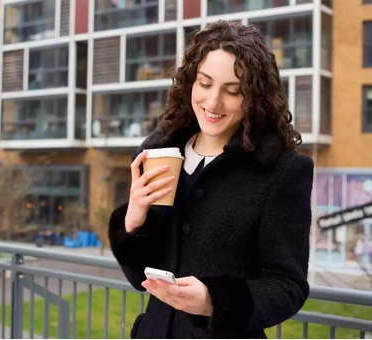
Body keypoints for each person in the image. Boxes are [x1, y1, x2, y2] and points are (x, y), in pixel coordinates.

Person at [108, 20, 314, 339]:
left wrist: (214, 302)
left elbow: (287, 286)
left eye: (232, 91)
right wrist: (133, 222)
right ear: (190, 82)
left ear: (254, 97)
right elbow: (139, 280)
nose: (213, 102)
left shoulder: (281, 172)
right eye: (205, 83)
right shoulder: (156, 152)